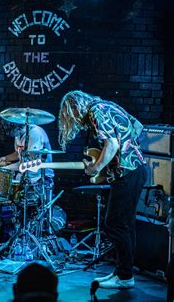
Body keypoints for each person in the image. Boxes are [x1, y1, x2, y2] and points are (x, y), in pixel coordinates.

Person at [58, 90, 147, 289]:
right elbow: (138, 128)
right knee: (125, 225)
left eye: (70, 113)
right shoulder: (108, 106)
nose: (73, 118)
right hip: (133, 170)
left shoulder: (97, 111)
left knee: (114, 223)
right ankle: (123, 272)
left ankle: (125, 276)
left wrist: (96, 168)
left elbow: (112, 144)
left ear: (76, 106)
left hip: (128, 172)